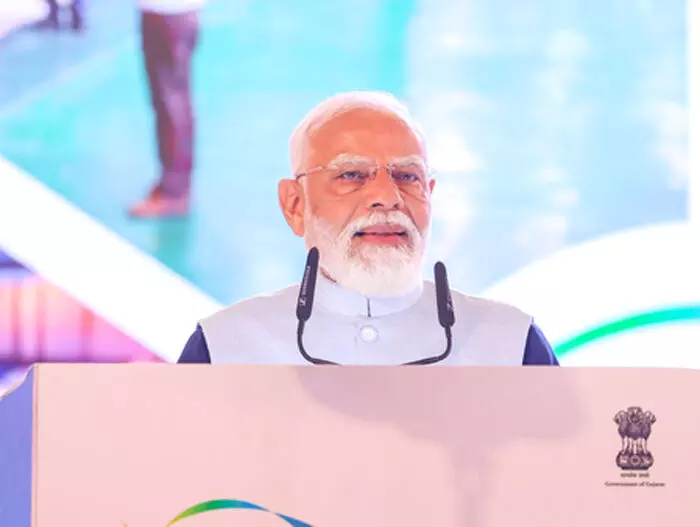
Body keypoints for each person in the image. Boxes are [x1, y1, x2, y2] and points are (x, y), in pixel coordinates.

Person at [177, 91, 559, 366]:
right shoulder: (223, 351)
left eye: (407, 176)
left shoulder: (513, 347)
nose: (387, 197)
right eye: (352, 174)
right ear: (295, 205)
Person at [129, 0, 206, 218]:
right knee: (170, 97)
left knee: (171, 99)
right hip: (170, 12)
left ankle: (174, 192)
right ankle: (173, 183)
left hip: (168, 11)